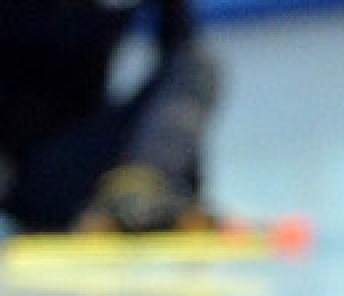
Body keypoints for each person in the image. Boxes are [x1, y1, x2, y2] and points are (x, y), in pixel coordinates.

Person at [0, 0, 218, 235]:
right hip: (25, 177)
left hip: (91, 163)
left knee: (196, 65)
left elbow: (180, 57)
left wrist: (182, 182)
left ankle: (142, 194)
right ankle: (135, 201)